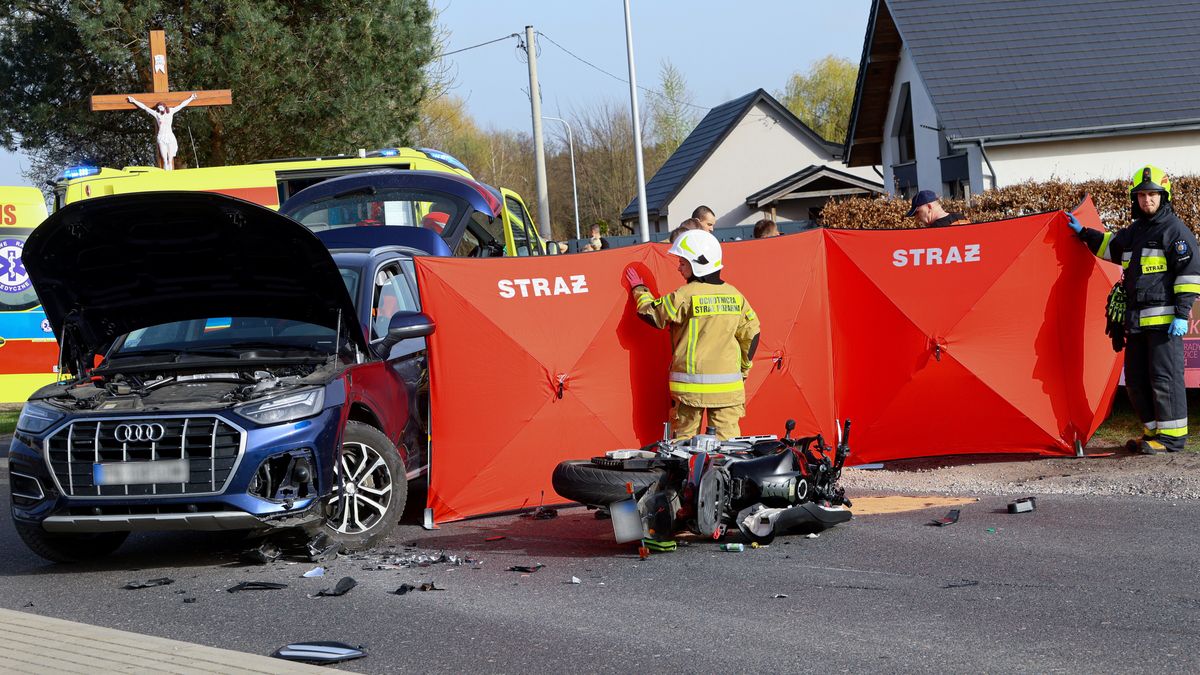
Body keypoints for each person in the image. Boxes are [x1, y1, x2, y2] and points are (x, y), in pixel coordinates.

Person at [1068, 165, 1200, 454]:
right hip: (1138, 322)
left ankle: (1172, 439)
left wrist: (1181, 314)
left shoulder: (1175, 231)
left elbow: (1189, 274)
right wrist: (1084, 233)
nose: (1147, 200)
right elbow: (1110, 246)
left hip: (1165, 325)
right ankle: (1152, 434)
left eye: (1152, 194)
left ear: (1164, 197)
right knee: (1137, 380)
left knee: (1165, 379)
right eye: (1141, 195)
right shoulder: (1136, 231)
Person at [624, 230, 761, 440]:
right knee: (730, 450)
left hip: (690, 391)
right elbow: (752, 335)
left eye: (682, 262)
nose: (679, 267)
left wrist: (639, 289)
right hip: (728, 391)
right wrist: (743, 369)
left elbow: (651, 313)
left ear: (699, 263)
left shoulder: (685, 295)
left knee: (684, 449)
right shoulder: (736, 296)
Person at [127, 93, 197, 170]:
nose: (160, 109)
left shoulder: (171, 111)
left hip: (169, 136)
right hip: (161, 137)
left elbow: (181, 105)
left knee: (170, 159)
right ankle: (165, 172)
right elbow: (145, 107)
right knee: (164, 158)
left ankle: (170, 172)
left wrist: (191, 98)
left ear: (164, 106)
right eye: (158, 108)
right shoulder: (157, 114)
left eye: (161, 107)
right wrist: (134, 101)